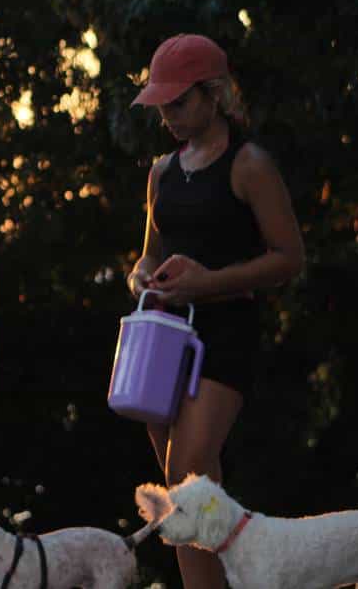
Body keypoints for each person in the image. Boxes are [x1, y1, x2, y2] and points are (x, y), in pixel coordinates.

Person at [128, 33, 305, 589]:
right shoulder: (161, 172)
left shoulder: (249, 164)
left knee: (187, 475)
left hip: (225, 333)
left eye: (178, 102)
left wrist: (209, 285)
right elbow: (149, 252)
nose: (169, 116)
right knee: (186, 489)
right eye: (161, 104)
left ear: (215, 94)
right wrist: (141, 277)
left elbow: (288, 258)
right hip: (162, 337)